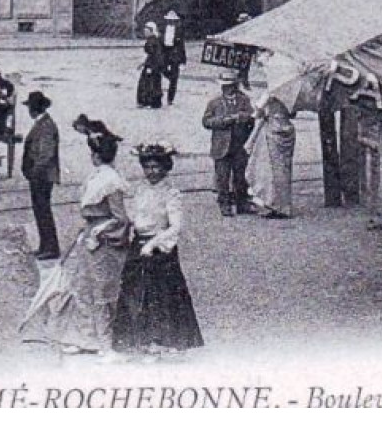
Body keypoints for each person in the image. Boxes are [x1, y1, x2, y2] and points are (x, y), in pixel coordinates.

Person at [20, 118, 130, 355]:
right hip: (90, 236)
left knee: (101, 289)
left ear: (97, 155)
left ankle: (104, 342)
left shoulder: (111, 181)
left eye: (94, 152)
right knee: (80, 284)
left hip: (104, 241)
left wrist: (99, 232)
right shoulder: (97, 176)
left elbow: (121, 219)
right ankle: (83, 338)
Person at [112, 142, 203, 355]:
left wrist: (153, 244)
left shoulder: (171, 193)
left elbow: (176, 226)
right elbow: (134, 216)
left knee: (160, 295)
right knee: (134, 292)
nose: (152, 172)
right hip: (139, 244)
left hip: (161, 248)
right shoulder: (141, 190)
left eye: (156, 167)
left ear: (165, 167)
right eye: (148, 167)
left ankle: (162, 340)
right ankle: (135, 339)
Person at [202, 70, 256, 215]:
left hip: (239, 144)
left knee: (241, 176)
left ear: (235, 86)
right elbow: (206, 121)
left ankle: (242, 203)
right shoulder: (214, 103)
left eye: (230, 85)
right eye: (224, 86)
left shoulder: (244, 100)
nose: (227, 88)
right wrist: (222, 121)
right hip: (221, 145)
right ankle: (224, 203)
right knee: (222, 177)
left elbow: (252, 116)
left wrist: (242, 117)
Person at [19, 91, 61, 260]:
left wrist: (34, 173)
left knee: (43, 211)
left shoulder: (45, 126)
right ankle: (45, 246)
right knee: (40, 211)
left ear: (34, 109)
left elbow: (45, 155)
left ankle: (51, 247)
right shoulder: (44, 123)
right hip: (40, 175)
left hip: (42, 176)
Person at [246, 96, 296, 219]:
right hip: (287, 130)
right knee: (284, 170)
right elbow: (293, 114)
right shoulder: (292, 97)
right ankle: (284, 206)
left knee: (267, 169)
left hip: (272, 131)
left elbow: (257, 114)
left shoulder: (269, 94)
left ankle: (270, 203)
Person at [160, 11, 187, 105]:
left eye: (172, 20)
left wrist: (183, 60)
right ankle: (170, 78)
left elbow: (182, 45)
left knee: (175, 78)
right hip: (165, 53)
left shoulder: (179, 31)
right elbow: (160, 43)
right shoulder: (162, 30)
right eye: (169, 20)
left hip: (175, 55)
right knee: (162, 70)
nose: (171, 22)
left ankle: (170, 99)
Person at [136, 23, 164, 110]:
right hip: (153, 65)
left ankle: (148, 102)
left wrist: (149, 66)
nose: (145, 32)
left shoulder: (152, 41)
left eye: (146, 30)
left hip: (152, 66)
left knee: (148, 84)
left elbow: (153, 55)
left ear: (151, 31)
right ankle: (152, 102)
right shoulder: (153, 40)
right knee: (151, 83)